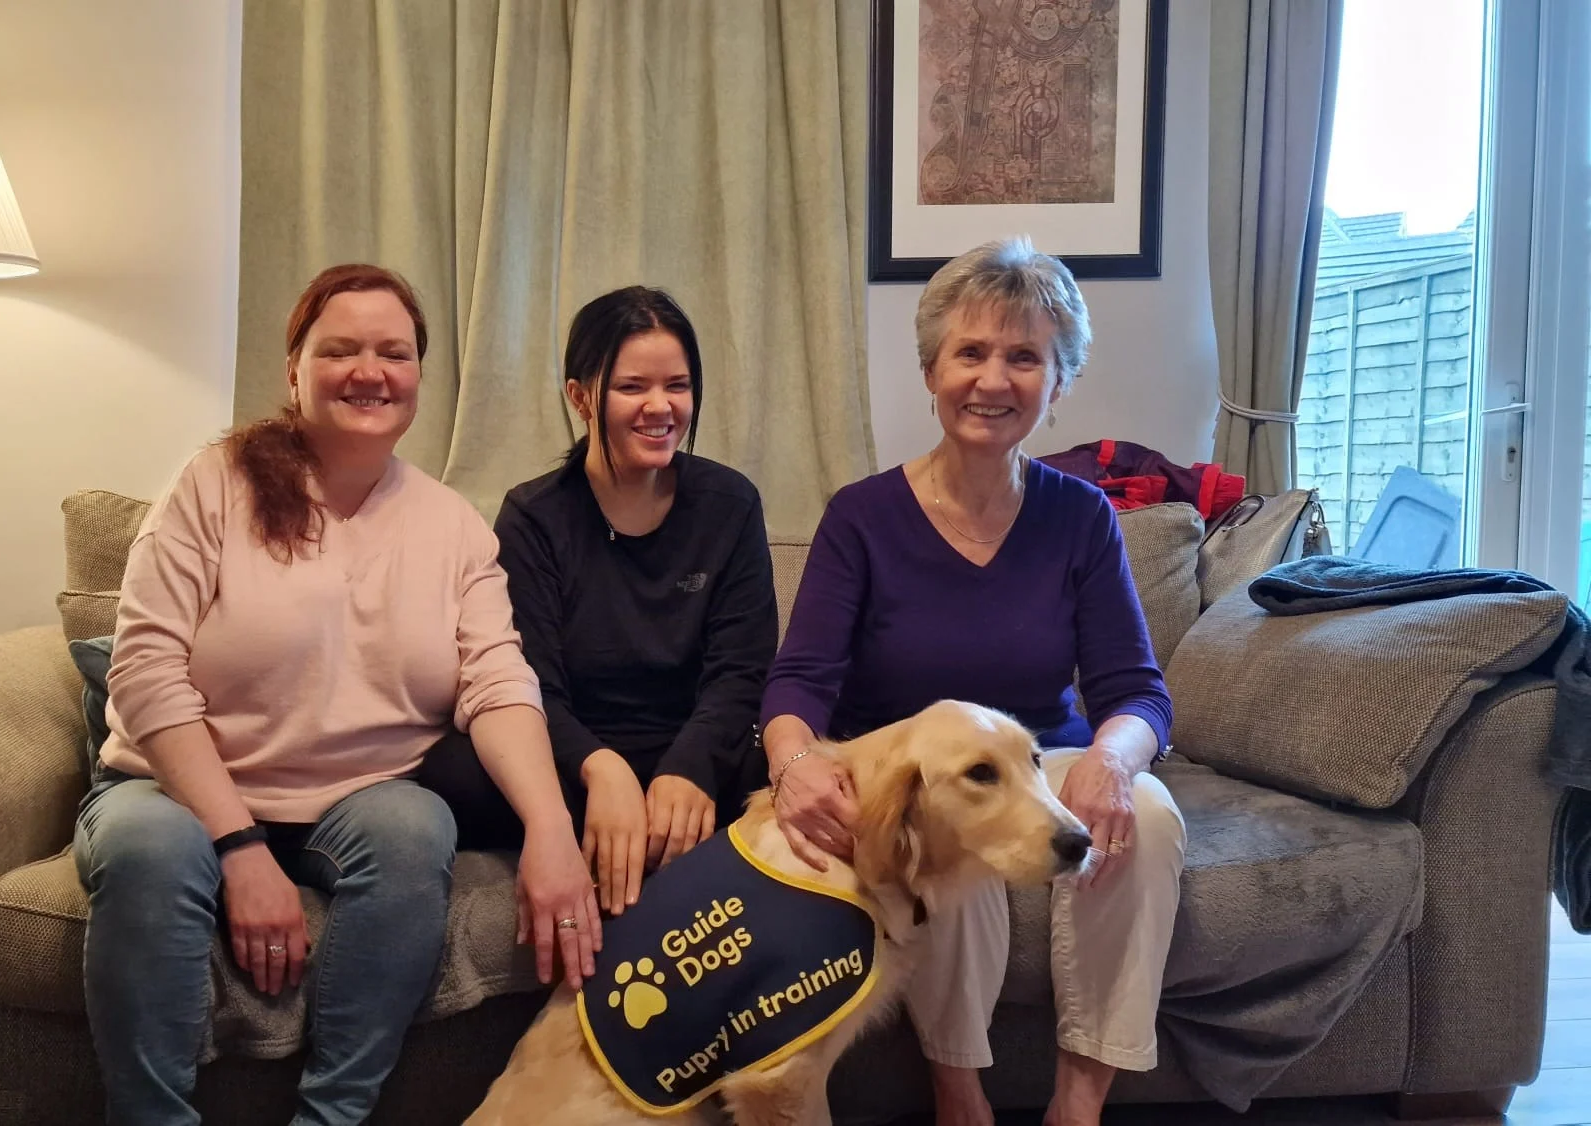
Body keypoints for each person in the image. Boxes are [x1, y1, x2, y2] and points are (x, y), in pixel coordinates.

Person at [77, 264, 598, 1126]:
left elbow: (498, 682)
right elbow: (142, 669)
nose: (371, 371)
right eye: (341, 350)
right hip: (172, 791)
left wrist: (550, 828)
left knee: (415, 826)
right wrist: (237, 847)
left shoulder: (452, 527)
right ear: (294, 370)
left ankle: (332, 1120)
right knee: (147, 849)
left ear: (419, 378)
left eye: (394, 353)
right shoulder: (213, 485)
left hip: (350, 800)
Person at [758, 238, 1186, 1126]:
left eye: (1025, 356)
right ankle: (960, 1094)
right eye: (972, 352)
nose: (994, 379)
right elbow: (799, 680)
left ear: (1057, 383)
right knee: (941, 805)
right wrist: (793, 763)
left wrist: (1112, 759)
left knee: (1143, 812)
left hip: (1038, 756)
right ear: (932, 370)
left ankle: (1078, 1103)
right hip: (912, 769)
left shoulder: (1083, 518)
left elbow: (1137, 690)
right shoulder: (863, 517)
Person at [419, 287, 776, 916]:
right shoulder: (534, 517)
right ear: (580, 395)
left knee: (788, 774)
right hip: (576, 762)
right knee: (452, 772)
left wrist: (690, 765)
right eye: (632, 387)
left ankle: (655, 829)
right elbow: (531, 687)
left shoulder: (731, 503)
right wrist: (597, 767)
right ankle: (612, 830)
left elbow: (741, 671)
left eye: (679, 385)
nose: (661, 407)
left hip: (690, 749)